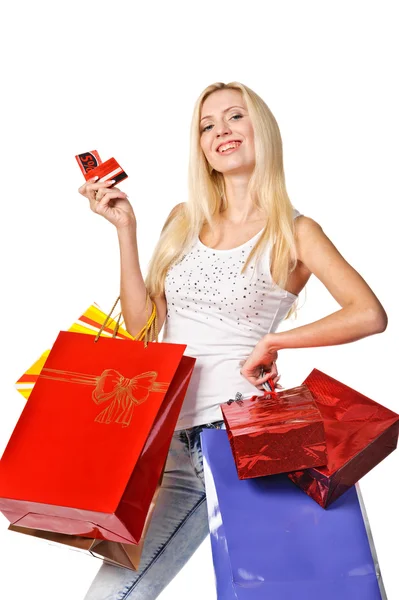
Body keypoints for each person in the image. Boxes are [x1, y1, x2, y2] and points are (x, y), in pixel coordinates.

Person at [78, 81, 387, 600]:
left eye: (235, 117)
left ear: (260, 131)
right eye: (207, 125)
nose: (221, 130)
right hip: (172, 437)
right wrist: (125, 230)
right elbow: (142, 326)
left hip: (239, 434)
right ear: (201, 147)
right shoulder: (183, 220)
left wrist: (277, 341)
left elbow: (368, 314)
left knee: (274, 591)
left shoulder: (295, 231)